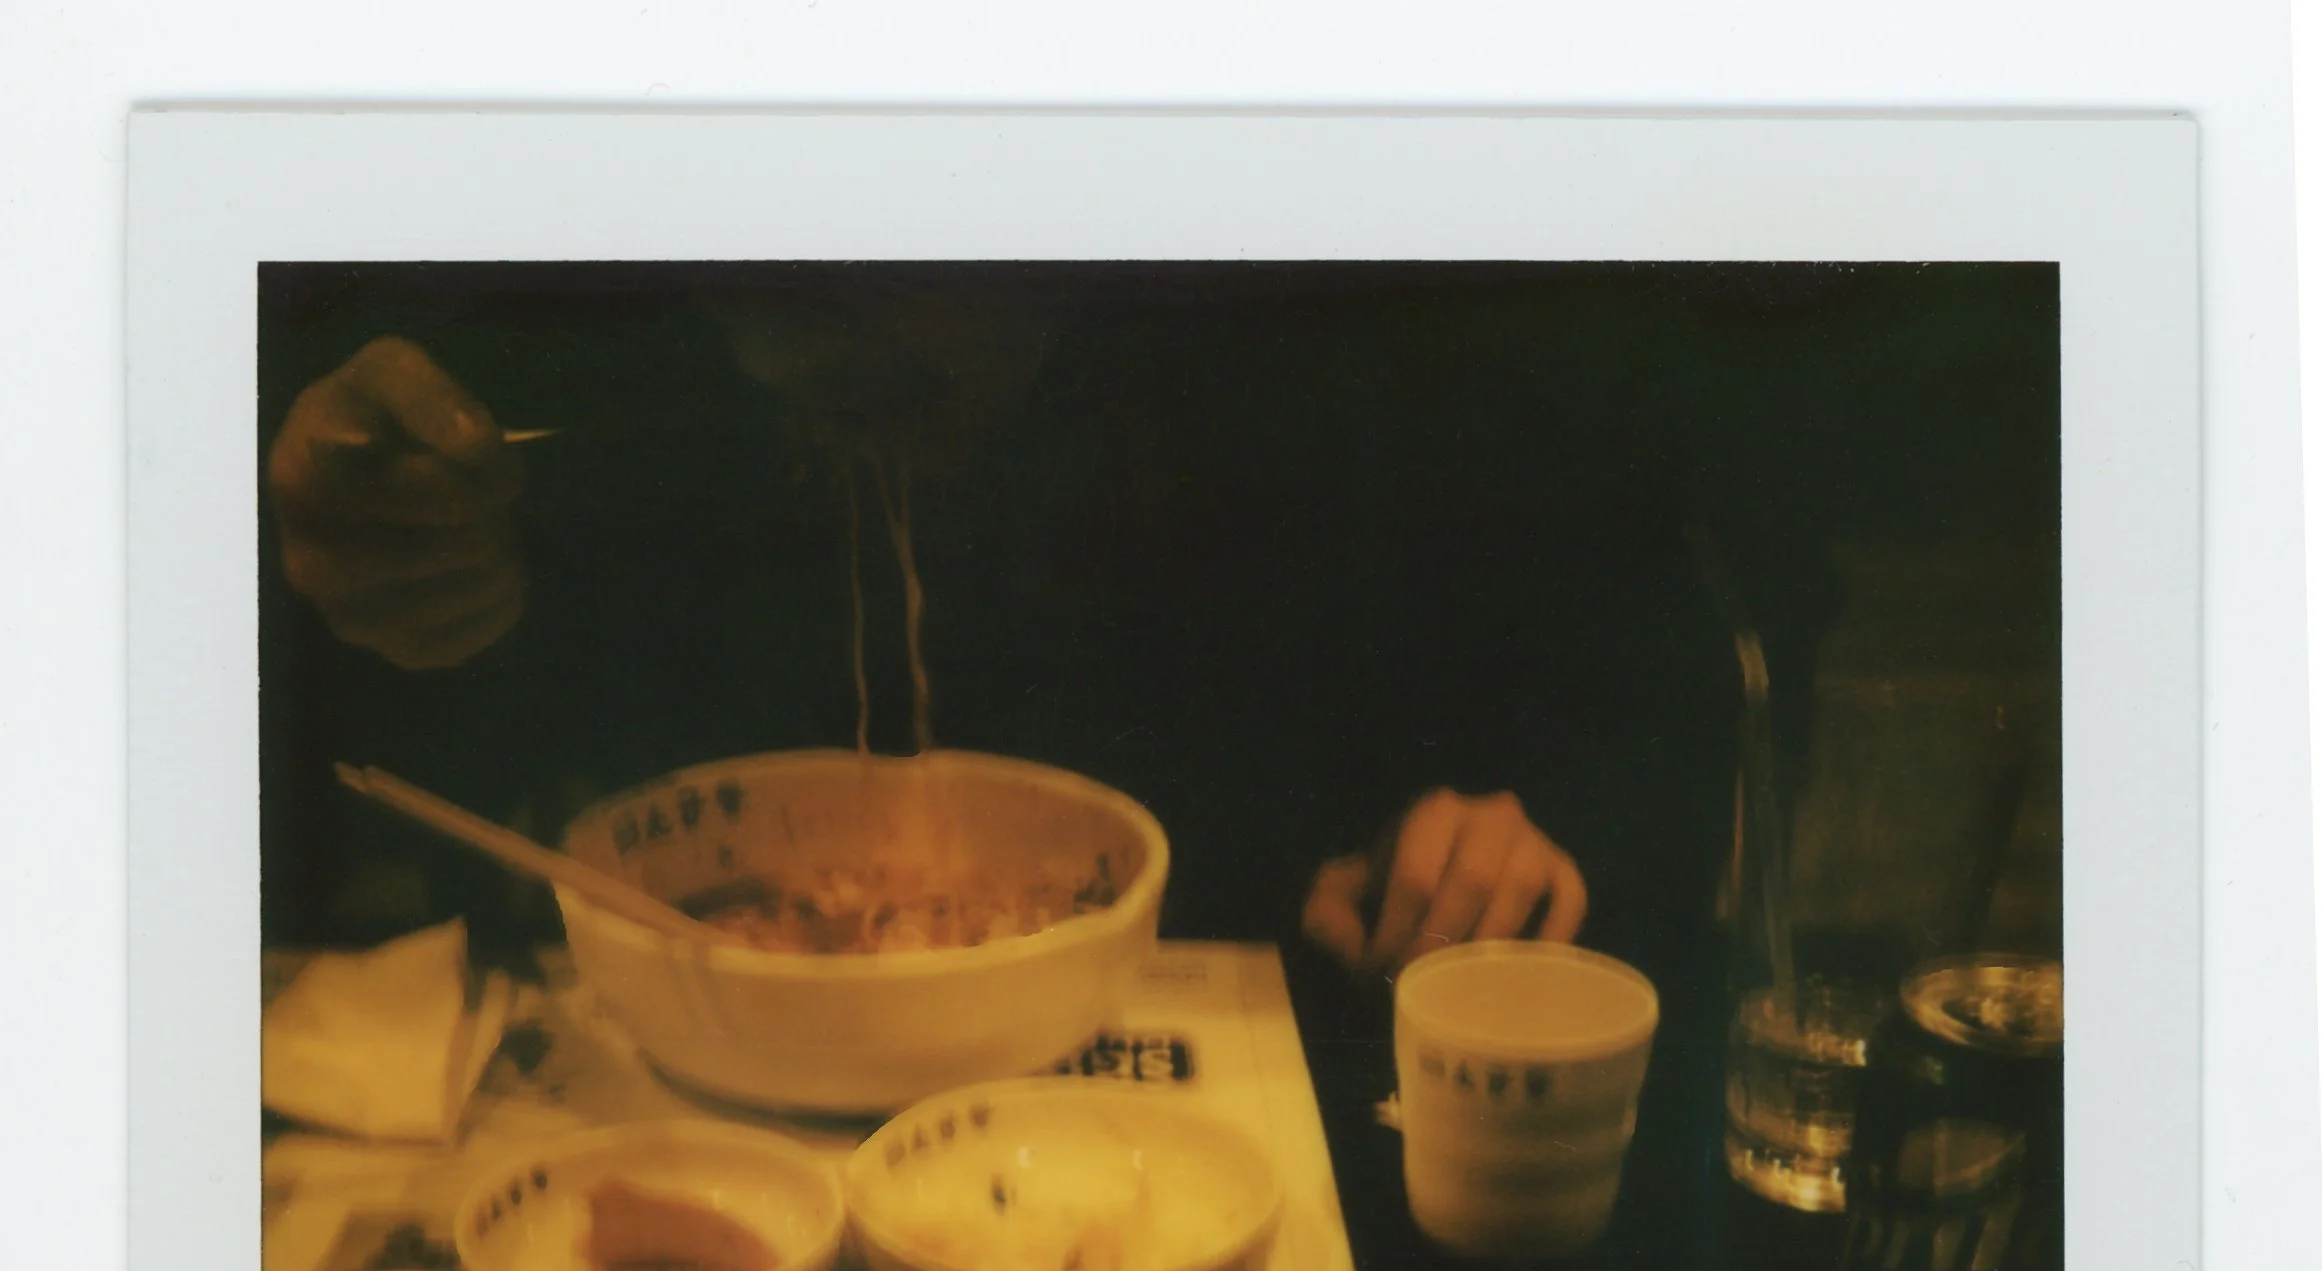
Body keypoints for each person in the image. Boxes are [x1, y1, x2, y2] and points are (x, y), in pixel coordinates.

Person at [260, 270, 1608, 974]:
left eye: (891, 262)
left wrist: (1463, 848)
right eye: (761, 278)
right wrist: (356, 581)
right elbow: (368, 771)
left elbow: (1585, 700)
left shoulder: (1315, 352)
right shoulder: (586, 378)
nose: (797, 350)